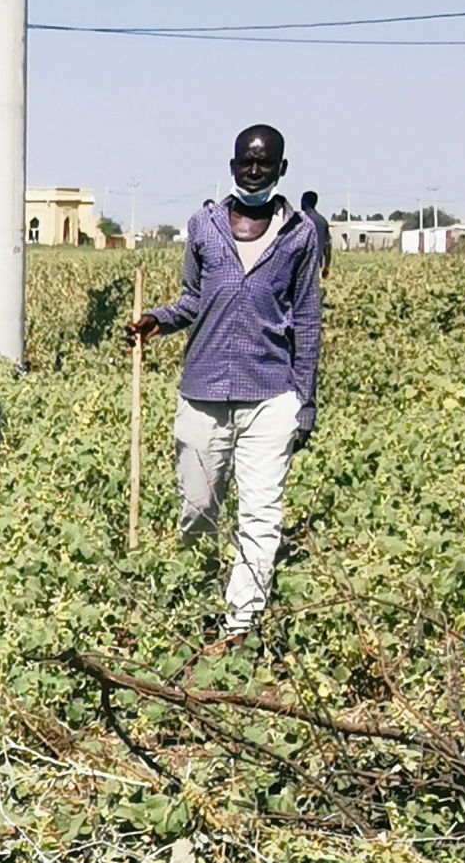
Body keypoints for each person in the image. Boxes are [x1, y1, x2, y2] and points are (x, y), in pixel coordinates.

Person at [127, 124, 323, 637]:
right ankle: (193, 593)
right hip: (203, 390)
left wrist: (305, 401)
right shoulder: (204, 225)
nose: (254, 171)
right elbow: (194, 299)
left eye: (265, 163)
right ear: (232, 166)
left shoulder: (300, 234)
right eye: (245, 162)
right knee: (197, 509)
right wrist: (159, 319)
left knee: (261, 515)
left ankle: (241, 623)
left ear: (281, 170)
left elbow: (306, 319)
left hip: (271, 395)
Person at [299, 188, 332, 274]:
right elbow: (327, 246)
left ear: (304, 202)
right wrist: (327, 266)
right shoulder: (322, 221)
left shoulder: (299, 219)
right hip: (316, 264)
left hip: (299, 264)